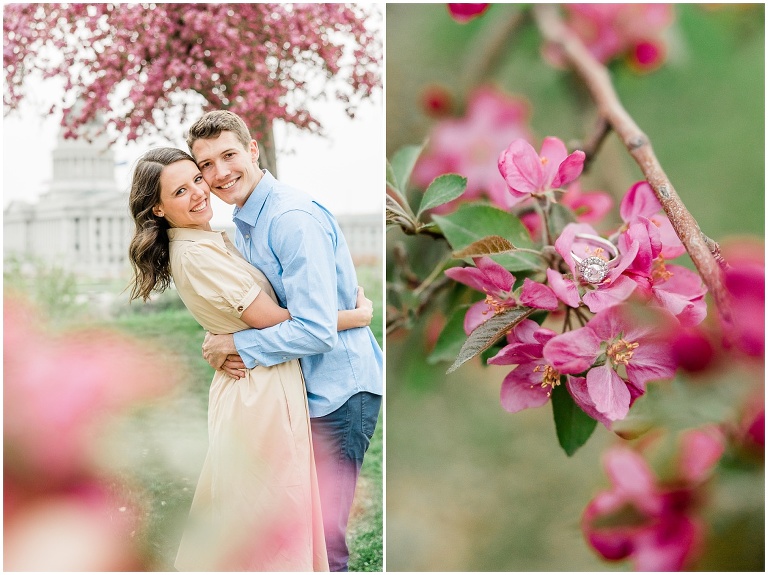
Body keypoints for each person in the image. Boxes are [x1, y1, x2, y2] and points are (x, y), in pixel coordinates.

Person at [127, 147, 373, 571]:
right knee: (267, 518)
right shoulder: (198, 252)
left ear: (252, 151)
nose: (200, 191)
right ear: (158, 207)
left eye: (197, 180)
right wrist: (358, 316)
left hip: (266, 385)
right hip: (258, 395)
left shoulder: (221, 236)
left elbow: (245, 322)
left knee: (273, 516)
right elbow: (282, 321)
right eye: (181, 190)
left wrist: (229, 342)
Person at [187, 110, 383, 572]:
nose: (220, 173)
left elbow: (314, 329)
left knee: (324, 540)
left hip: (337, 394)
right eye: (207, 166)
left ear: (254, 150)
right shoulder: (248, 220)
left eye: (229, 155)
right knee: (297, 534)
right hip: (304, 394)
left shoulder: (289, 219)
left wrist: (236, 345)